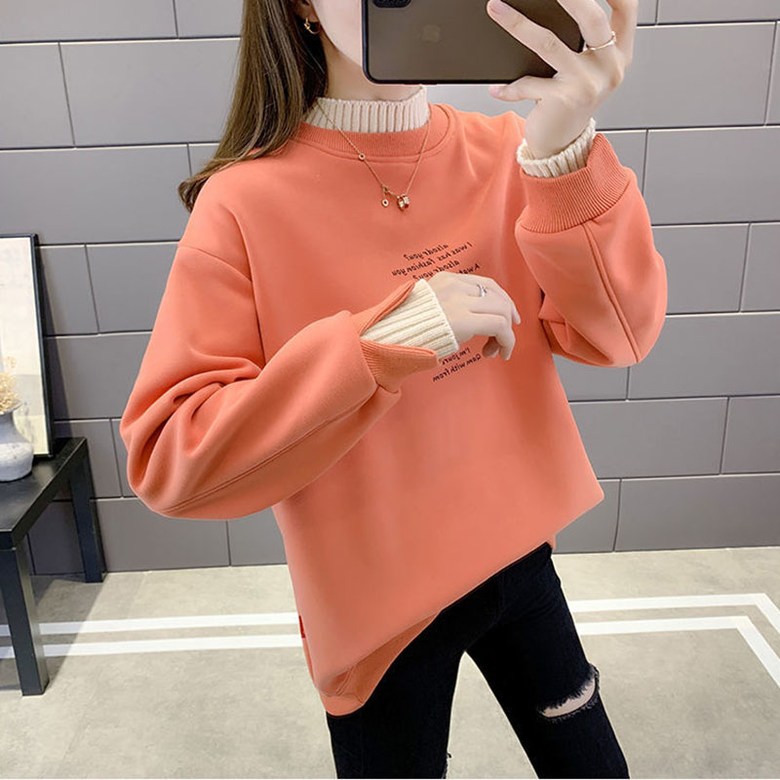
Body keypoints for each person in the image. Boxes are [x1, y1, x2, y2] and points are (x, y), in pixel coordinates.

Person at [119, 0, 665, 776]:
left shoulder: (508, 151)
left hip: (517, 557)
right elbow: (171, 457)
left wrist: (564, 154)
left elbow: (616, 335)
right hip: (379, 610)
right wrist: (388, 340)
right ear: (301, 7)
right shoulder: (243, 202)